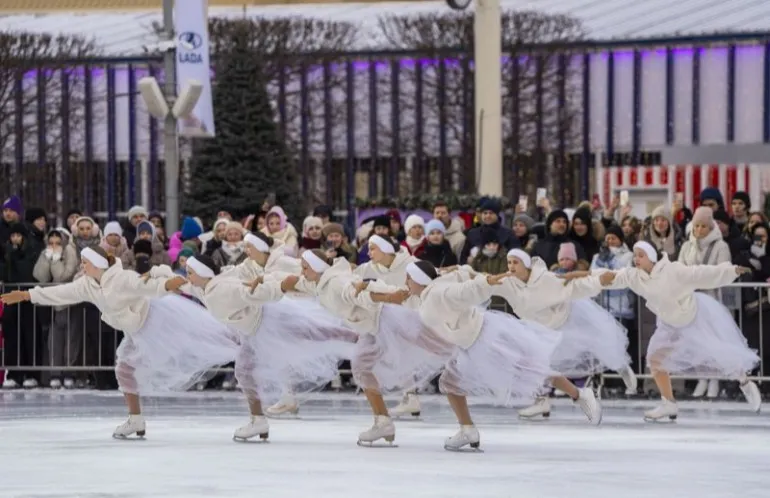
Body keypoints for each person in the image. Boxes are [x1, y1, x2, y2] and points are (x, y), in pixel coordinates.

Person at [0, 245, 238, 439]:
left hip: (154, 319)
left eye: (86, 262)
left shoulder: (121, 278)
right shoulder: (88, 284)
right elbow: (62, 292)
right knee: (124, 369)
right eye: (82, 262)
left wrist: (165, 284)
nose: (83, 266)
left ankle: (240, 342)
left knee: (200, 336)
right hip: (135, 330)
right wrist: (27, 295)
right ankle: (135, 420)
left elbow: (144, 285)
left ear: (99, 264)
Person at [148, 252, 354, 442]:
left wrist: (280, 287)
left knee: (311, 333)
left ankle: (353, 337)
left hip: (266, 322)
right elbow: (181, 283)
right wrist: (157, 273)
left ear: (203, 274)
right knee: (247, 370)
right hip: (252, 331)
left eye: (191, 272)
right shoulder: (201, 286)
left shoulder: (225, 289)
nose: (188, 276)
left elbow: (253, 293)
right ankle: (258, 420)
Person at [567, 241, 761, 421]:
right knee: (654, 359)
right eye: (635, 255)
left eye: (640, 255)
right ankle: (669, 404)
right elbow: (607, 275)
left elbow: (703, 273)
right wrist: (576, 275)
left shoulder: (674, 271)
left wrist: (732, 270)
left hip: (693, 317)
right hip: (668, 323)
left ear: (651, 256)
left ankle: (745, 382)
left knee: (718, 352)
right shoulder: (634, 275)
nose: (636, 259)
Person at [282, 249, 449, 446]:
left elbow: (356, 294)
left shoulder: (335, 283)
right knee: (363, 366)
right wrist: (276, 282)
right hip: (373, 326)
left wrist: (387, 298)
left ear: (318, 268)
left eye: (305, 268)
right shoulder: (319, 282)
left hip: (384, 319)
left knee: (431, 344)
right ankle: (382, 421)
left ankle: (461, 353)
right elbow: (300, 282)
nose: (303, 272)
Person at [388, 261, 559, 451]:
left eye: (409, 278)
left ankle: (578, 394)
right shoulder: (429, 293)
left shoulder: (437, 293)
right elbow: (458, 275)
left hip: (480, 339)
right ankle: (467, 429)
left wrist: (486, 282)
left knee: (527, 369)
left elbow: (464, 291)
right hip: (469, 341)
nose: (406, 281)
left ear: (419, 279)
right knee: (450, 383)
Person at [488, 249, 609, 423]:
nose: (511, 266)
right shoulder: (508, 282)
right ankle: (552, 398)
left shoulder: (545, 279)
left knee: (536, 367)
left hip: (552, 328)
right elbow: (483, 281)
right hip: (531, 330)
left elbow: (571, 285)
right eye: (509, 262)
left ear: (526, 265)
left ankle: (572, 395)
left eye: (515, 262)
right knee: (536, 368)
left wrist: (597, 278)